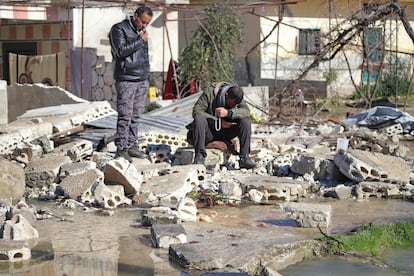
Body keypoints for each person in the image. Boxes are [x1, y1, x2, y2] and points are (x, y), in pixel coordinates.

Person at [109, 5, 153, 163]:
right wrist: (140, 40)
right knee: (125, 114)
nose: (144, 26)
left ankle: (132, 144)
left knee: (136, 114)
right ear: (135, 16)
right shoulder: (118, 29)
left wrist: (147, 75)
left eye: (147, 23)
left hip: (142, 78)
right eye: (143, 22)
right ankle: (121, 148)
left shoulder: (141, 33)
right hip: (126, 78)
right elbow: (120, 51)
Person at [187, 82, 257, 169]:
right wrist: (217, 121)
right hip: (209, 131)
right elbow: (196, 111)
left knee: (245, 121)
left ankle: (244, 158)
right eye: (231, 104)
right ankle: (199, 157)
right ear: (226, 95)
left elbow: (246, 112)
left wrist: (229, 113)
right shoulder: (210, 93)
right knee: (199, 119)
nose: (232, 106)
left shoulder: (237, 97)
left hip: (225, 131)